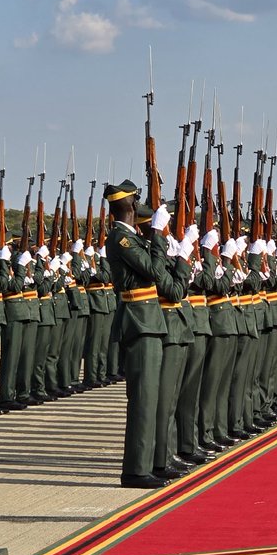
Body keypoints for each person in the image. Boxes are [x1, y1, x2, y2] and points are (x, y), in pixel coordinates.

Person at [103, 179, 171, 490]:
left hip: (148, 320)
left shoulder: (129, 236)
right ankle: (135, 470)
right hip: (138, 322)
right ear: (131, 205)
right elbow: (153, 271)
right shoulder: (121, 238)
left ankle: (149, 464)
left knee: (151, 397)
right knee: (142, 399)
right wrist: (157, 234)